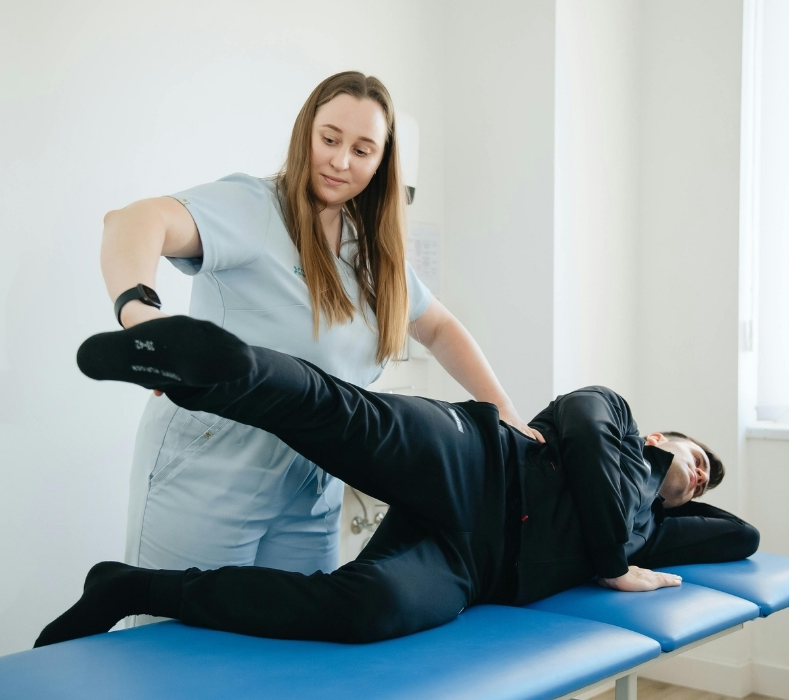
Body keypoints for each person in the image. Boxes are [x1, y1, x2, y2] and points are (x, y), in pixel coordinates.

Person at [34, 316, 759, 647]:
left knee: (365, 613)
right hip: (479, 460)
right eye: (697, 458)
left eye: (704, 482)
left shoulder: (648, 532)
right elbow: (589, 441)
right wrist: (614, 559)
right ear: (662, 436)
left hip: (473, 569)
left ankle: (130, 587)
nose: (699, 477)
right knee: (342, 416)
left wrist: (655, 523)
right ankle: (217, 372)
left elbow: (739, 537)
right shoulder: (617, 419)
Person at [102, 71, 540, 585]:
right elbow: (131, 221)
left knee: (295, 654)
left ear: (381, 162)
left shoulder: (369, 252)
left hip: (311, 486)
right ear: (305, 131)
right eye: (329, 139)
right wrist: (141, 314)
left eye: (362, 149)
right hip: (212, 469)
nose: (340, 161)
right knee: (178, 650)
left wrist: (505, 416)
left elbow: (439, 327)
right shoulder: (256, 208)